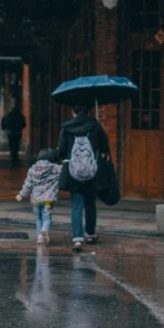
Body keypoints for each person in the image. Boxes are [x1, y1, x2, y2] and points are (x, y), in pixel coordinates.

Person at [58, 103, 110, 252]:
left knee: (76, 205)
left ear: (73, 111)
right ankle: (91, 234)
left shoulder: (66, 127)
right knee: (90, 203)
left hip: (74, 173)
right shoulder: (95, 125)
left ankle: (77, 239)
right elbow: (105, 146)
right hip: (92, 172)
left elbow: (61, 150)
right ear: (88, 111)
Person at [16, 148, 61, 245]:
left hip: (36, 200)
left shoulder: (32, 169)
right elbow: (65, 171)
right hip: (48, 199)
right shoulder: (56, 168)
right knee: (47, 217)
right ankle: (44, 229)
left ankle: (39, 237)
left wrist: (21, 195)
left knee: (38, 218)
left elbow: (28, 184)